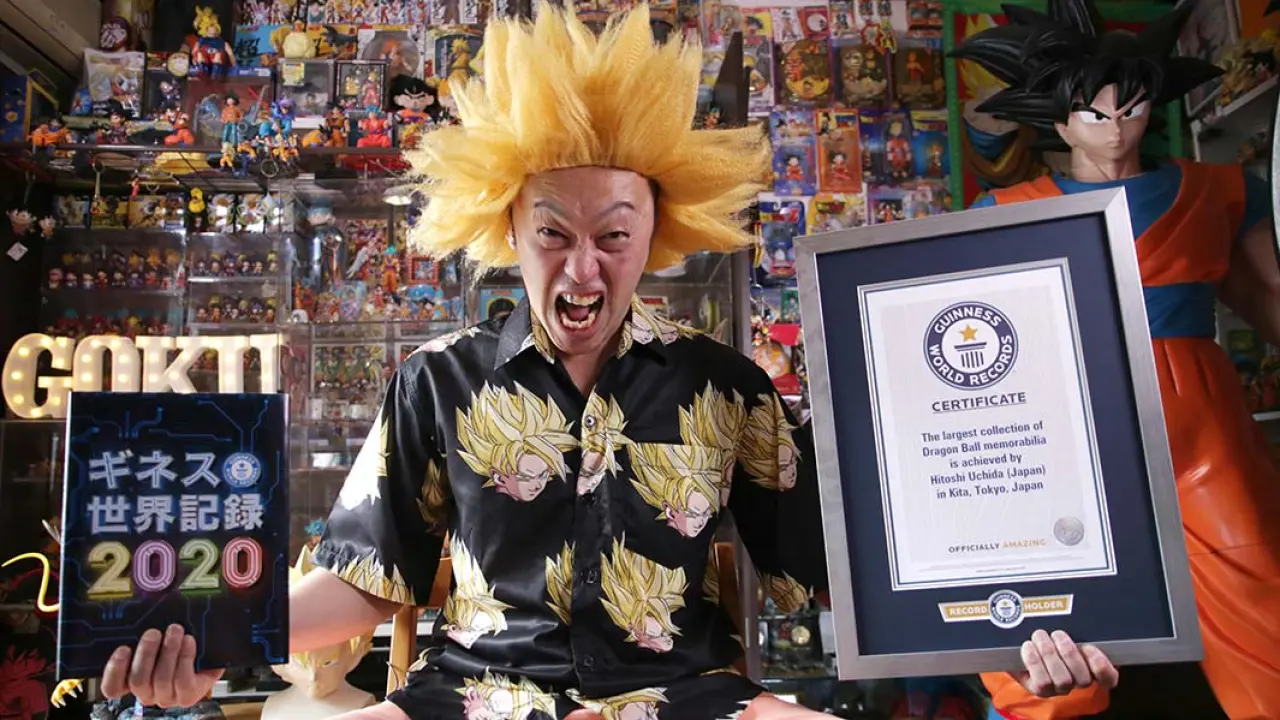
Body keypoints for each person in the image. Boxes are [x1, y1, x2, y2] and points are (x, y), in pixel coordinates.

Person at [100, 5, 1117, 719]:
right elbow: (368, 583)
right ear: (507, 227)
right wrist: (215, 638)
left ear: (655, 238)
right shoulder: (437, 381)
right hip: (473, 697)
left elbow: (833, 574)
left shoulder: (726, 385)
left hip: (688, 697)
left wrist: (1020, 633)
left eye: (614, 235)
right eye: (553, 233)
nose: (582, 267)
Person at [952, 0, 1280, 717]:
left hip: (1202, 423)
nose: (1116, 128)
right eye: (1095, 114)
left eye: (1131, 109)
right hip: (1064, 422)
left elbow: (1267, 298)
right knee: (1049, 599)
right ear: (1060, 121)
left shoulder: (1216, 191)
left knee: (1252, 573)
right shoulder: (1007, 211)